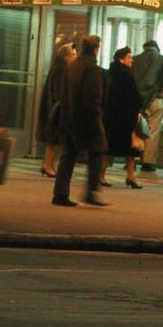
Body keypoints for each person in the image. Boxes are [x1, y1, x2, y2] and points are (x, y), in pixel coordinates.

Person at [53, 33, 107, 207]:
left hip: (68, 116)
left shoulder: (72, 65)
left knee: (68, 154)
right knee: (97, 151)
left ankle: (60, 194)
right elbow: (93, 98)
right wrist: (96, 120)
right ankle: (91, 191)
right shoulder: (92, 69)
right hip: (85, 118)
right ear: (96, 50)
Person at [102, 46, 145, 189]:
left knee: (110, 148)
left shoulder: (112, 73)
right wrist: (140, 105)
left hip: (112, 117)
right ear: (121, 59)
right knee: (129, 148)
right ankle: (130, 177)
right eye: (129, 57)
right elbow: (134, 96)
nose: (132, 60)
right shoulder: (125, 74)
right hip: (125, 118)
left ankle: (101, 176)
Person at [132, 38, 163, 172]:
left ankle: (133, 159)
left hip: (137, 101)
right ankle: (148, 163)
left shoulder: (135, 59)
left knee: (135, 130)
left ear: (145, 48)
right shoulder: (162, 59)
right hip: (155, 100)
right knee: (152, 131)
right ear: (157, 48)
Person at [36, 40, 74, 177]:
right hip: (56, 110)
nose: (75, 57)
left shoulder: (58, 67)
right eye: (73, 54)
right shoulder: (62, 69)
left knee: (55, 140)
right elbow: (58, 91)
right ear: (66, 56)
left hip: (53, 109)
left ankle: (50, 165)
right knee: (54, 140)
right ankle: (48, 165)